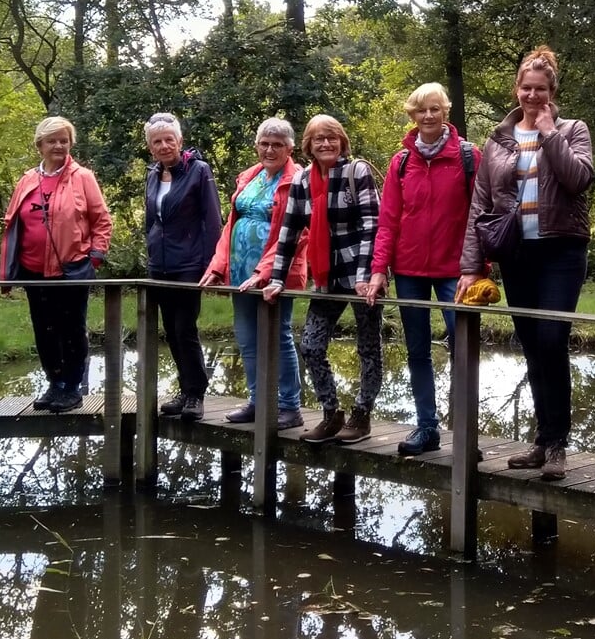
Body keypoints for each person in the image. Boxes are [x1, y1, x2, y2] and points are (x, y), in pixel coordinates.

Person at [457, 46, 595, 480]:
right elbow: (480, 203)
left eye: (541, 89)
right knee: (533, 347)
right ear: (516, 90)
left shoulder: (573, 130)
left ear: (552, 91)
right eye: (526, 88)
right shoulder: (498, 139)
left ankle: (557, 445)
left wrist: (550, 131)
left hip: (561, 252)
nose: (532, 96)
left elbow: (577, 179)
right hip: (517, 254)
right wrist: (470, 266)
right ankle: (542, 441)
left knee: (552, 340)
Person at [368, 83, 482, 457]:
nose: (428, 116)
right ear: (412, 115)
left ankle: (466, 435)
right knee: (417, 351)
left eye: (435, 109)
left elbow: (480, 216)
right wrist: (379, 269)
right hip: (410, 270)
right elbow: (388, 221)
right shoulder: (401, 162)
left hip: (456, 270)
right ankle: (427, 428)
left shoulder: (468, 157)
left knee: (463, 347)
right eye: (421, 110)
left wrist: (477, 266)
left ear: (445, 112)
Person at [262, 114, 382, 445]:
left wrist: (365, 276)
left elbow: (373, 225)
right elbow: (288, 234)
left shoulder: (356, 172)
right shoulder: (302, 180)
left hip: (363, 276)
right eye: (318, 139)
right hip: (327, 277)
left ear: (342, 141)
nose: (326, 144)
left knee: (368, 348)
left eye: (331, 138)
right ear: (309, 147)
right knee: (311, 345)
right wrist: (277, 279)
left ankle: (361, 415)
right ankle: (331, 413)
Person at [0, 116, 113, 414]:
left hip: (72, 267)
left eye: (64, 140)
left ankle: (73, 388)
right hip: (33, 269)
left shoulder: (83, 177)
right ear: (40, 146)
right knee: (44, 328)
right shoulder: (27, 180)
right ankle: (54, 383)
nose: (59, 146)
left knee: (72, 328)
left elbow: (101, 220)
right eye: (52, 141)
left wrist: (96, 256)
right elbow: (13, 224)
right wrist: (8, 271)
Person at [204, 118, 308, 429]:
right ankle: (257, 399)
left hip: (277, 273)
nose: (270, 149)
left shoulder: (299, 180)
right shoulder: (250, 176)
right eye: (264, 143)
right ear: (257, 146)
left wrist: (265, 271)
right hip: (240, 272)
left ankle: (289, 406)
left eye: (277, 144)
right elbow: (231, 226)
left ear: (289, 148)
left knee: (279, 336)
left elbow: (299, 232)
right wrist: (217, 266)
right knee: (248, 338)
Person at [144, 112, 222, 422]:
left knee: (184, 328)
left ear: (180, 142)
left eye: (168, 140)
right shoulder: (152, 174)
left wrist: (212, 264)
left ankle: (195, 394)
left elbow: (212, 219)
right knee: (170, 332)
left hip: (190, 263)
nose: (164, 145)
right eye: (157, 141)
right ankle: (185, 388)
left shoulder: (199, 171)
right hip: (159, 264)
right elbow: (152, 219)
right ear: (151, 147)